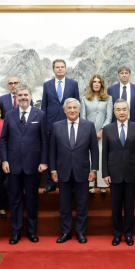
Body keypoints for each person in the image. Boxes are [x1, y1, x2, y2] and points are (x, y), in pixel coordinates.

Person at [0, 84, 48, 244]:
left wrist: (43, 161)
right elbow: (4, 139)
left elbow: (44, 141)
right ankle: (16, 232)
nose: (23, 98)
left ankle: (32, 232)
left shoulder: (40, 114)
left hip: (33, 166)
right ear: (16, 97)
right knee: (14, 200)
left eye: (26, 95)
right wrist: (5, 160)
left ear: (31, 96)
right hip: (12, 166)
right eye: (20, 95)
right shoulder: (9, 115)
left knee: (32, 200)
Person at [50, 98, 99, 244]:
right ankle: (66, 232)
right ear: (64, 110)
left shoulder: (89, 126)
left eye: (74, 108)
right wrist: (53, 169)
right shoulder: (56, 126)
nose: (72, 110)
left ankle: (80, 232)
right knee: (64, 205)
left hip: (82, 171)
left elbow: (94, 150)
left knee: (82, 204)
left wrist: (94, 169)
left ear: (79, 110)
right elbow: (52, 150)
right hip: (63, 171)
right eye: (69, 108)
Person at [102, 99, 135, 246]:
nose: (121, 112)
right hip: (114, 174)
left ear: (128, 111)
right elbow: (105, 153)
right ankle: (117, 234)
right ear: (114, 112)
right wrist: (105, 173)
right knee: (116, 207)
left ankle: (129, 234)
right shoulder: (107, 129)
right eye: (118, 110)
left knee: (129, 207)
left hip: (131, 173)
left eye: (124, 109)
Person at [41, 59, 79, 193]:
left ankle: (72, 181)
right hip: (51, 124)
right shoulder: (47, 85)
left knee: (69, 152)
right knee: (52, 152)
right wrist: (44, 126)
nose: (60, 69)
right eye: (57, 67)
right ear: (53, 70)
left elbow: (77, 104)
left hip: (69, 124)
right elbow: (44, 107)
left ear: (66, 69)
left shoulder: (73, 84)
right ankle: (51, 183)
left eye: (62, 67)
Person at [108, 65, 135, 191]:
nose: (124, 75)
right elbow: (109, 109)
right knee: (118, 154)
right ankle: (117, 179)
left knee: (133, 153)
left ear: (129, 74)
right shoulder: (111, 90)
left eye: (126, 73)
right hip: (116, 127)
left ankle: (134, 180)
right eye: (122, 73)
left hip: (133, 128)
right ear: (118, 75)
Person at [80, 74, 112, 194]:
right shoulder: (84, 99)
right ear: (91, 84)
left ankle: (103, 184)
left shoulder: (108, 98)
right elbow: (82, 117)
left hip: (103, 133)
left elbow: (109, 117)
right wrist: (89, 133)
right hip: (87, 133)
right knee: (88, 156)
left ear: (102, 84)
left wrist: (102, 131)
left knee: (101, 156)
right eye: (94, 82)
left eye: (99, 82)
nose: (97, 83)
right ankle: (90, 184)